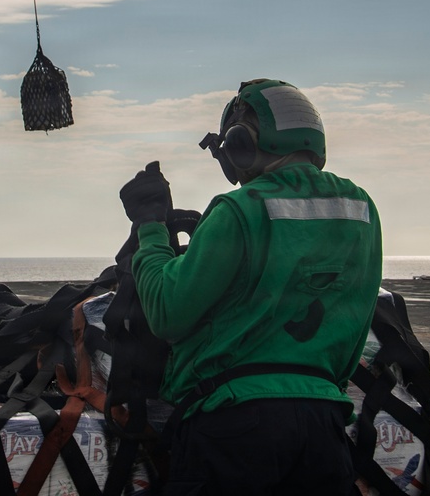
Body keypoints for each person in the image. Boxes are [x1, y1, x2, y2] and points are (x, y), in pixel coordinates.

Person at [119, 79, 383, 495]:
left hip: (232, 426)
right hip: (323, 424)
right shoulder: (361, 209)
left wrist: (150, 228)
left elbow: (167, 313)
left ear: (241, 143)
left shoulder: (239, 209)